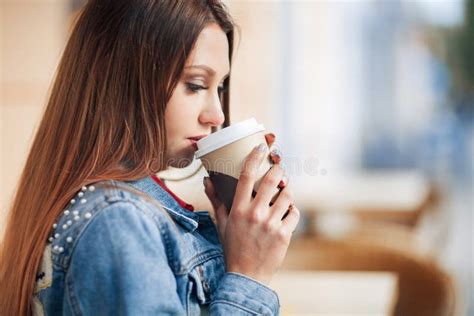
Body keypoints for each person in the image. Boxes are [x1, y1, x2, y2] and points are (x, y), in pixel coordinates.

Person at [0, 1, 300, 315]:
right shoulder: (118, 220)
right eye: (195, 85)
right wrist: (249, 276)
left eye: (220, 87)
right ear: (121, 79)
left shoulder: (118, 213)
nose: (217, 114)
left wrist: (235, 247)